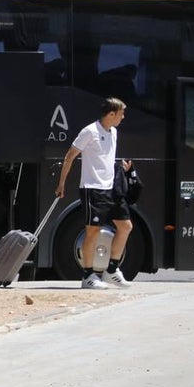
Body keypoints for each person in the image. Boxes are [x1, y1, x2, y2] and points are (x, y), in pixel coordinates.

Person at [55, 97, 134, 289]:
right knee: (93, 232)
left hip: (111, 189)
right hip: (93, 189)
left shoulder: (113, 132)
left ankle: (112, 270)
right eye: (121, 114)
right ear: (111, 114)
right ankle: (88, 276)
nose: (123, 117)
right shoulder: (89, 131)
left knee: (125, 226)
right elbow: (69, 156)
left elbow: (105, 159)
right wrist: (61, 184)